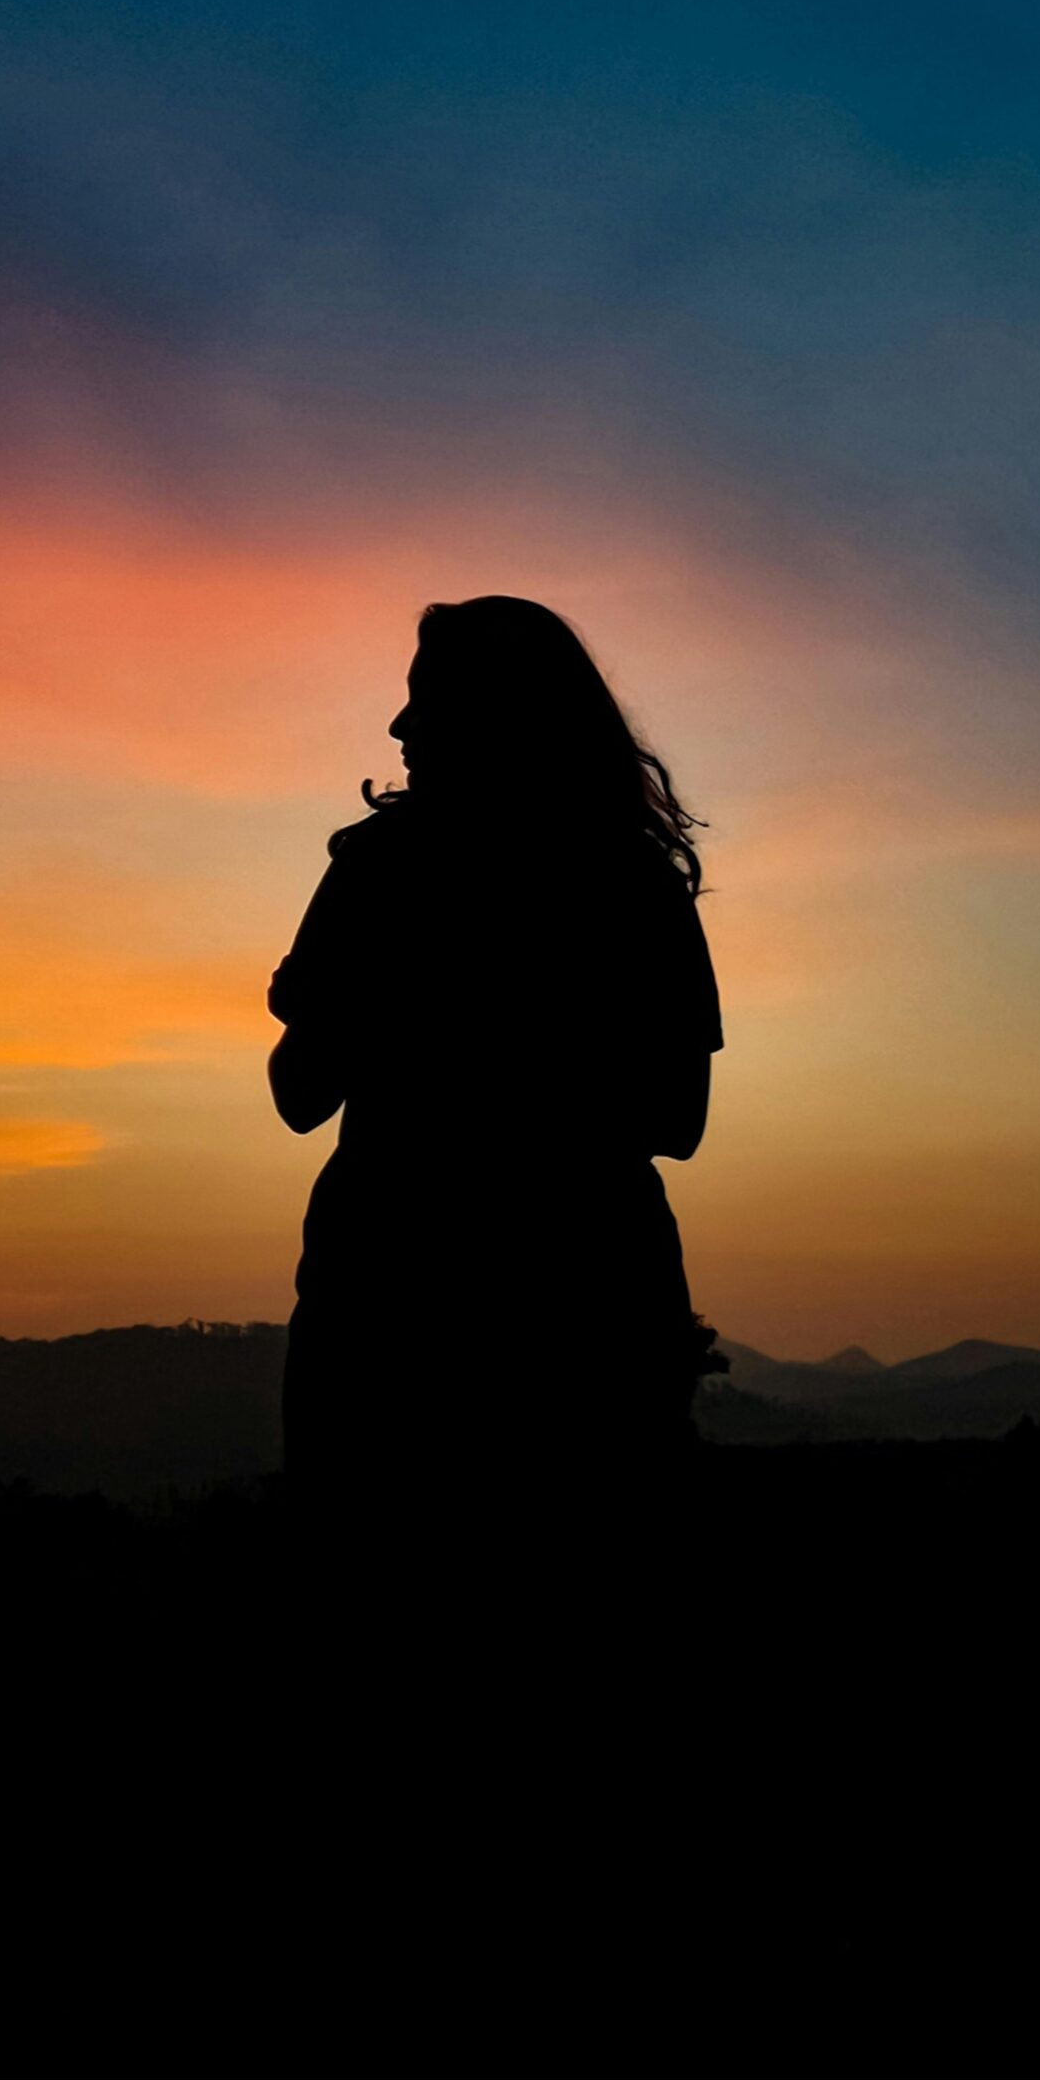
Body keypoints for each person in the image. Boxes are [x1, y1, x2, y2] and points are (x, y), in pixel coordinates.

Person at [266, 596, 724, 1510]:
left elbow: (299, 1089)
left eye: (423, 699)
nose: (398, 725)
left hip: (394, 1321)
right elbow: (675, 1118)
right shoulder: (633, 885)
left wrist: (381, 1007)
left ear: (492, 717)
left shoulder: (379, 874)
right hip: (591, 1311)